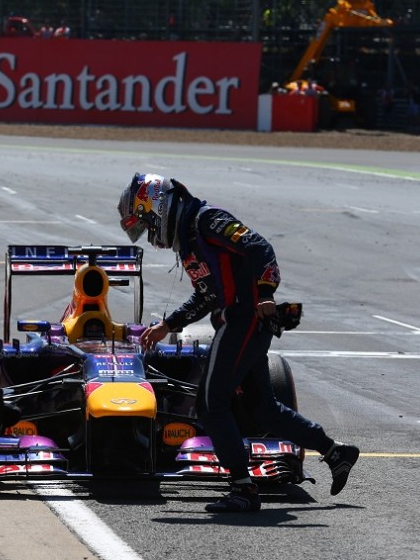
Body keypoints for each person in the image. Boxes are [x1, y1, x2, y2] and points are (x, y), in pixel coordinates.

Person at [116, 173, 359, 513]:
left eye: (146, 224)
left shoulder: (207, 220)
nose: (151, 236)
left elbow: (260, 249)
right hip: (239, 322)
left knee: (211, 403)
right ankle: (336, 452)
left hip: (244, 320)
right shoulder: (189, 238)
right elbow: (208, 295)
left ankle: (243, 489)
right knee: (263, 409)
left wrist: (264, 293)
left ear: (156, 207)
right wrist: (168, 325)